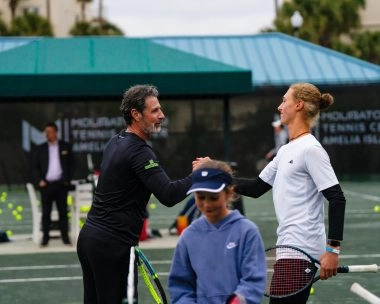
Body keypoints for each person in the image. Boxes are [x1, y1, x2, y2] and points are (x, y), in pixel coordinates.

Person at [76, 84, 193, 304]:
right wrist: (200, 174)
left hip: (89, 240)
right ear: (136, 114)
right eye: (155, 110)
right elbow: (168, 195)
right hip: (112, 247)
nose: (162, 115)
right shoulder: (139, 151)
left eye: (160, 109)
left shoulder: (115, 141)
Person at [233, 83, 346, 304]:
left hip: (301, 249)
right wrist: (216, 175)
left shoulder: (311, 150)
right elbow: (256, 188)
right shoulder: (285, 150)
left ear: (299, 105)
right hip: (288, 247)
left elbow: (336, 198)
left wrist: (332, 250)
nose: (280, 106)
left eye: (285, 100)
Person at [168, 159, 266, 304]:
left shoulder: (247, 232)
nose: (207, 204)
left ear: (229, 193)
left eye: (214, 198)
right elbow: (180, 285)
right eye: (200, 197)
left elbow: (253, 280)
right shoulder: (188, 236)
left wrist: (237, 301)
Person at [32, 122, 74, 247]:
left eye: (49, 131)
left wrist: (67, 179)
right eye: (46, 132)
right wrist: (40, 180)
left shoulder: (65, 146)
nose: (47, 134)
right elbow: (35, 167)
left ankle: (65, 237)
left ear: (56, 132)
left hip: (61, 185)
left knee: (63, 212)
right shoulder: (41, 148)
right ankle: (45, 238)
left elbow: (72, 164)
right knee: (46, 213)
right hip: (47, 185)